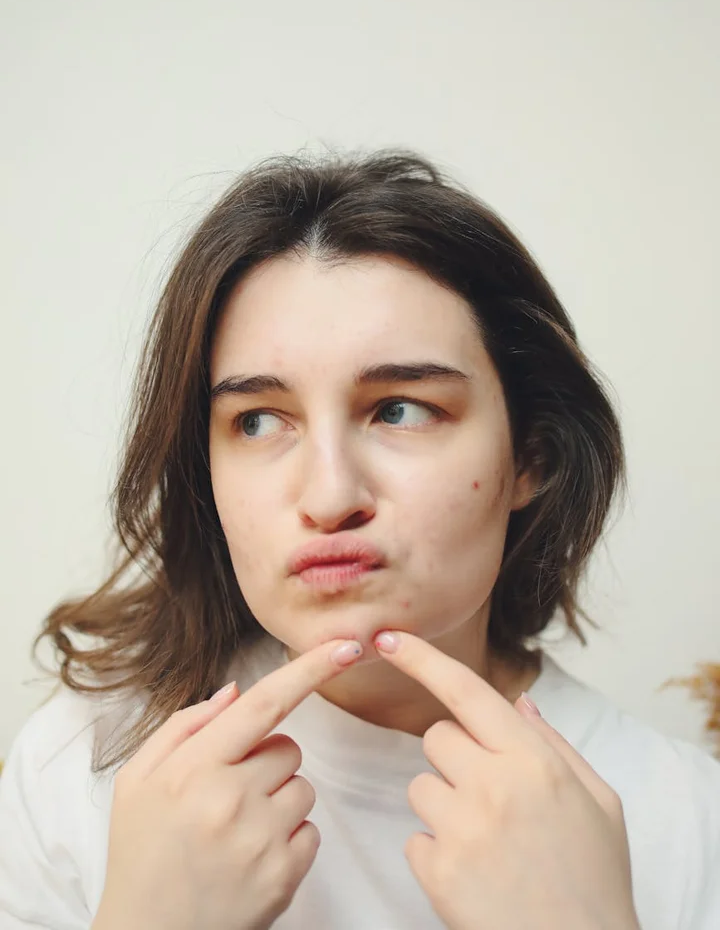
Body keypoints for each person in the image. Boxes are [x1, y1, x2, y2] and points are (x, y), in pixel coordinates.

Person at [0, 149, 718, 930]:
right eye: (259, 421)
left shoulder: (683, 819)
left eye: (400, 409)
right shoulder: (82, 765)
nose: (331, 496)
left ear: (531, 456)